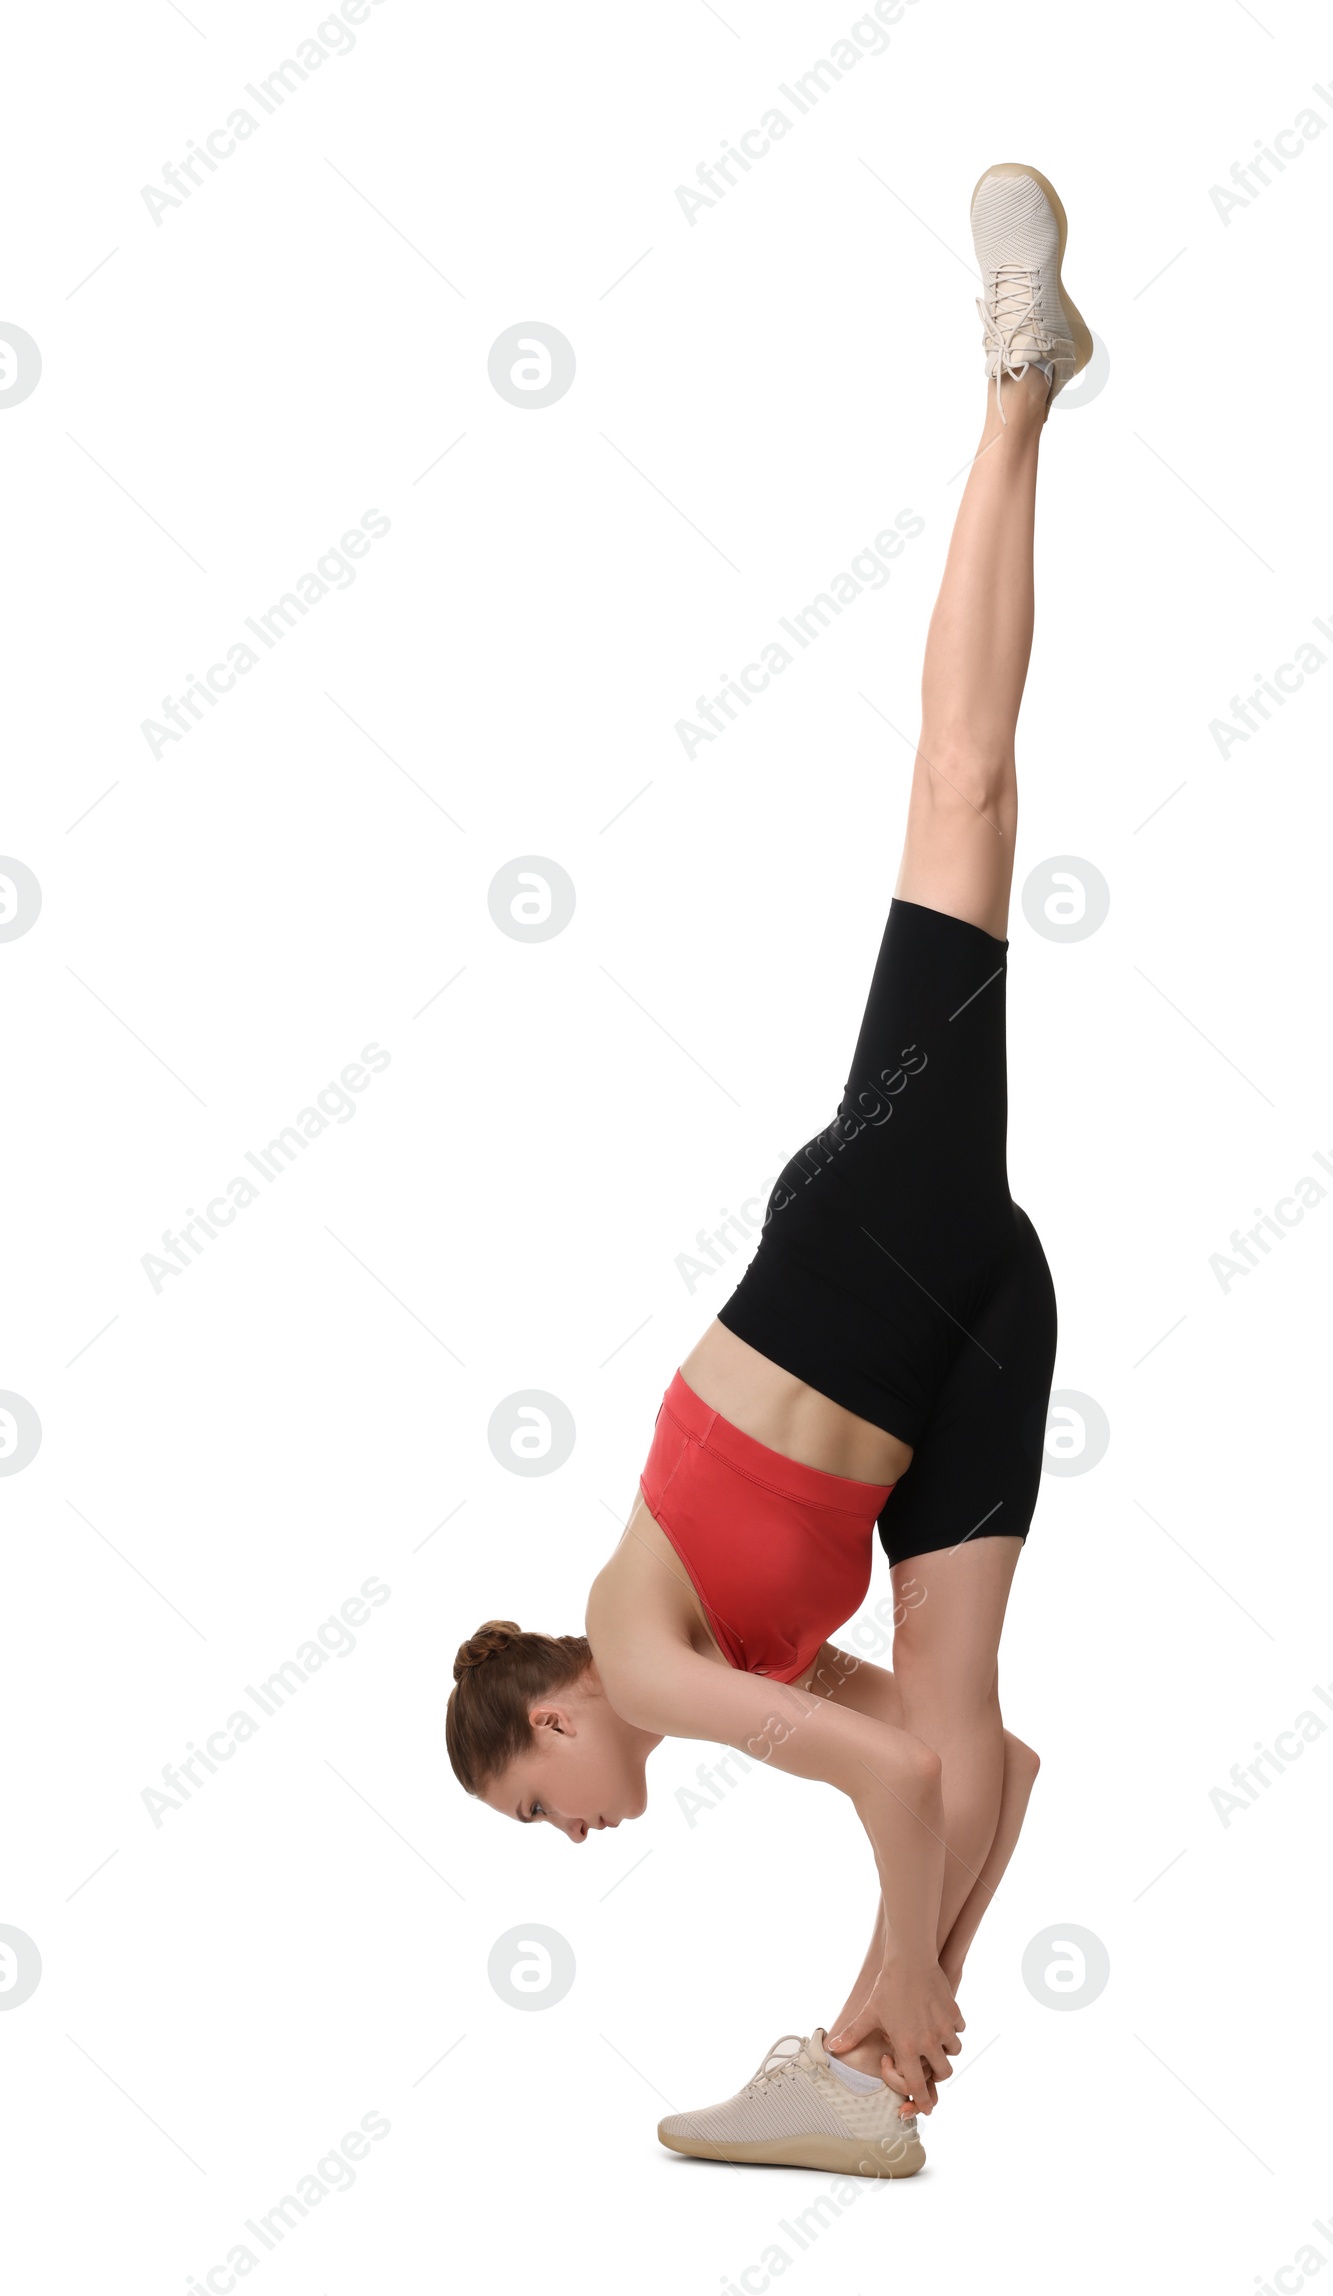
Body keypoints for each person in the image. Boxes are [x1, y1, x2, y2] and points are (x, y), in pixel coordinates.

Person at [445, 161, 1090, 2177]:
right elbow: (974, 1764)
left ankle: (1014, 385)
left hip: (868, 1264)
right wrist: (930, 1977)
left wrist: (901, 1957)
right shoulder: (750, 1658)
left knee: (959, 795)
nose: (573, 1839)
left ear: (555, 1722)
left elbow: (888, 1791)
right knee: (970, 1717)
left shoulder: (643, 1650)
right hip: (971, 1331)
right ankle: (875, 2068)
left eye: (539, 1811)